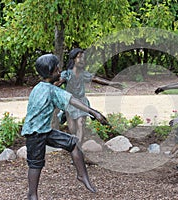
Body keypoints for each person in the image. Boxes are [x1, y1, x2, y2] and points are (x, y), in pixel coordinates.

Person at [21, 54, 109, 200]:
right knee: (35, 165)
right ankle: (32, 195)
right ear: (53, 72)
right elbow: (72, 100)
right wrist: (94, 112)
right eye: (58, 69)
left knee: (73, 143)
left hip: (45, 131)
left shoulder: (39, 87)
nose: (60, 71)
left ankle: (82, 175)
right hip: (35, 134)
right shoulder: (50, 90)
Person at [54, 48, 122, 144]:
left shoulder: (83, 74)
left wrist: (112, 84)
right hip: (70, 104)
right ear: (73, 59)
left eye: (83, 58)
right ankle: (75, 148)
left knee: (81, 124)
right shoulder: (67, 74)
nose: (82, 60)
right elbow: (56, 83)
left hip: (82, 103)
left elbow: (95, 78)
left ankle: (79, 149)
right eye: (79, 57)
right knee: (72, 129)